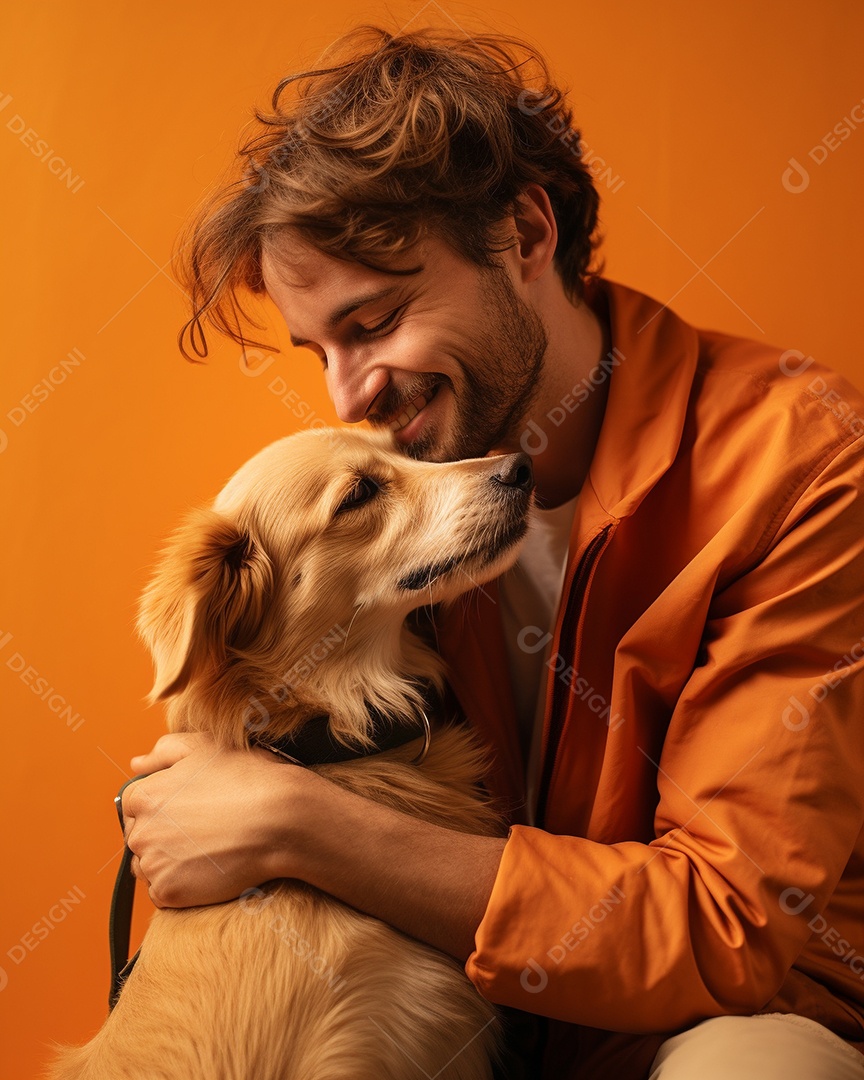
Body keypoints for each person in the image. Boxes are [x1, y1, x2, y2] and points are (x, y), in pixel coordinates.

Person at [121, 25, 864, 1078]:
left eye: (375, 320)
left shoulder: (801, 462)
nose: (351, 394)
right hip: (454, 1013)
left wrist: (298, 822)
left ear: (523, 233)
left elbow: (724, 928)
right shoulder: (397, 487)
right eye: (320, 349)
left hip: (713, 1019)